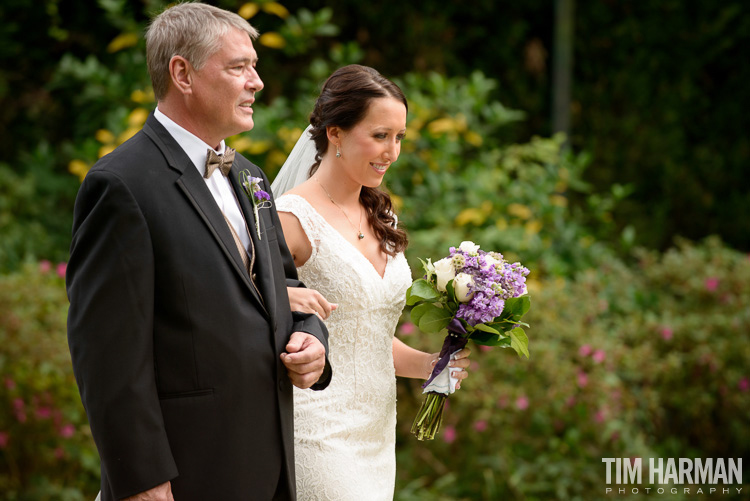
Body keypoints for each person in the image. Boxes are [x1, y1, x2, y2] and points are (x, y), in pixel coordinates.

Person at [65, 3, 331, 500]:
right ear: (182, 73)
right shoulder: (120, 184)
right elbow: (107, 355)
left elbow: (287, 288)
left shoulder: (250, 176)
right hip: (186, 474)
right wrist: (142, 481)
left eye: (254, 67)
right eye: (239, 67)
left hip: (269, 470)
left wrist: (312, 342)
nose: (257, 82)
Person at [272, 64, 472, 500]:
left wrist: (427, 365)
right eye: (380, 135)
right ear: (335, 133)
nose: (392, 151)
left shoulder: (382, 217)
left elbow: (367, 336)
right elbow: (241, 307)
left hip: (377, 434)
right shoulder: (290, 218)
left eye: (399, 137)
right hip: (316, 429)